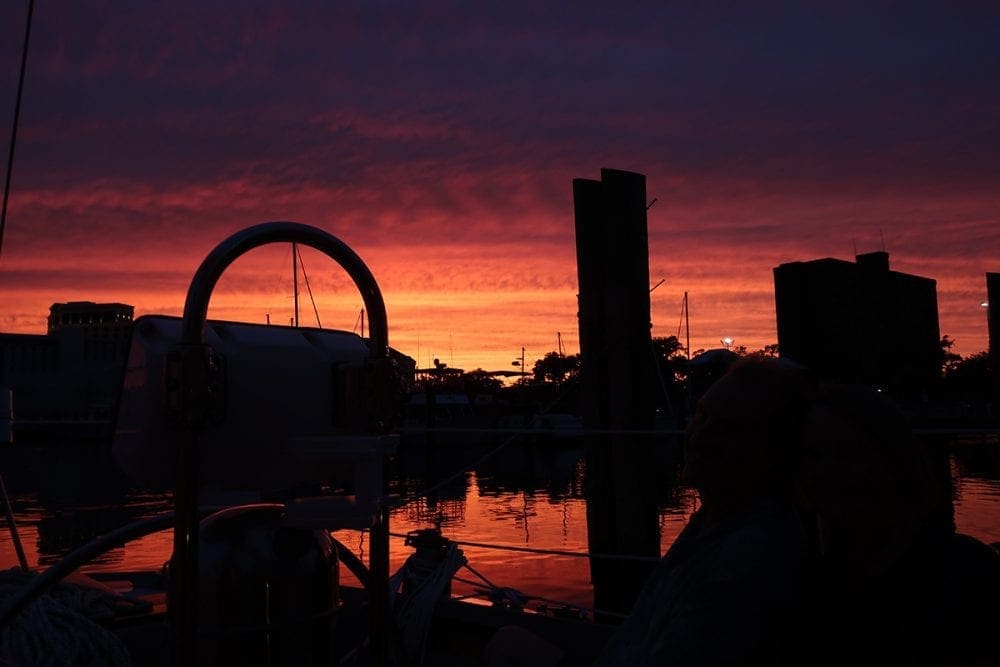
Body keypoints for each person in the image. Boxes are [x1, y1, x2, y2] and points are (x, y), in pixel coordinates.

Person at [487, 358, 817, 666]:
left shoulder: (749, 557)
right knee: (507, 640)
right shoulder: (713, 522)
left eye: (728, 429)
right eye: (702, 417)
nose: (699, 437)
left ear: (774, 450)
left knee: (507, 646)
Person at [795, 383, 1000, 666]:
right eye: (812, 455)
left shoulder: (967, 577)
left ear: (894, 459)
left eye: (848, 452)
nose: (828, 470)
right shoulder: (803, 580)